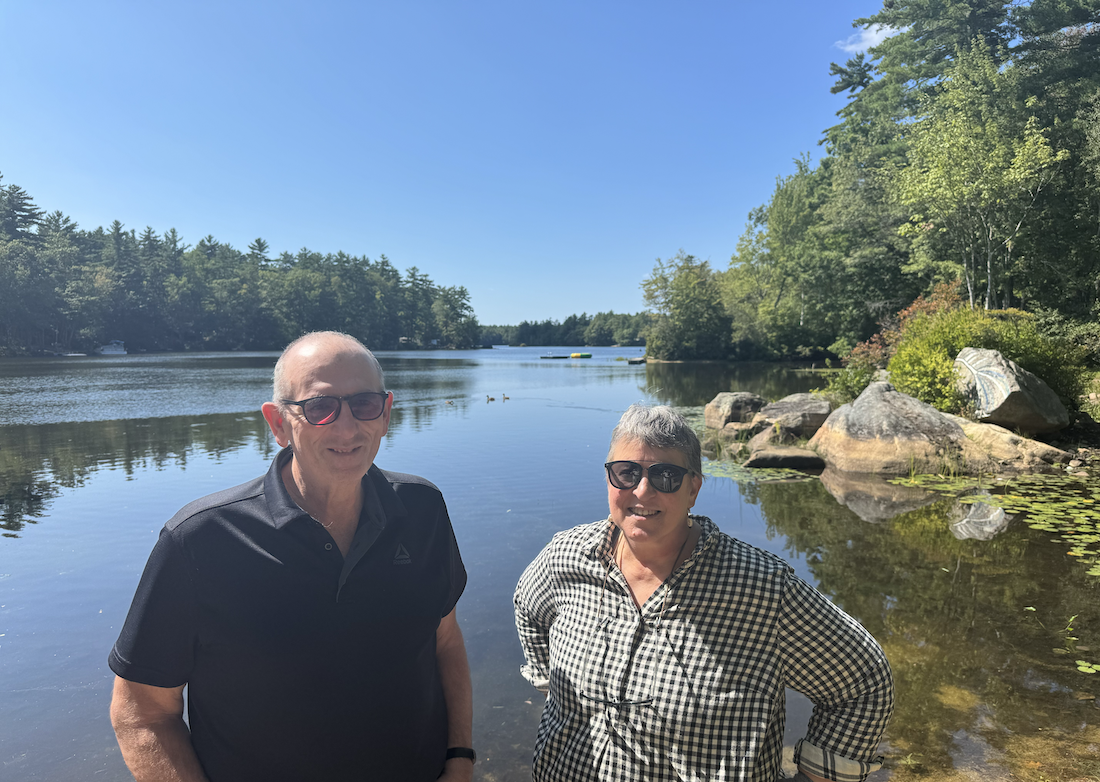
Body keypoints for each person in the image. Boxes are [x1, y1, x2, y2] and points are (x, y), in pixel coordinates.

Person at [109, 331, 475, 782]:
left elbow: (446, 641)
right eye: (321, 408)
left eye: (364, 403)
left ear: (386, 413)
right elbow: (142, 712)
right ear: (279, 423)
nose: (347, 428)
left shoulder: (423, 510)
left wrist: (459, 757)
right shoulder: (201, 540)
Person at [514, 404, 894, 782]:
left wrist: (817, 775)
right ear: (609, 478)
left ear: (694, 488)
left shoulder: (760, 589)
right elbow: (528, 607)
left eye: (665, 476)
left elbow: (863, 682)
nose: (642, 490)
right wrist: (552, 687)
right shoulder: (565, 557)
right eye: (626, 473)